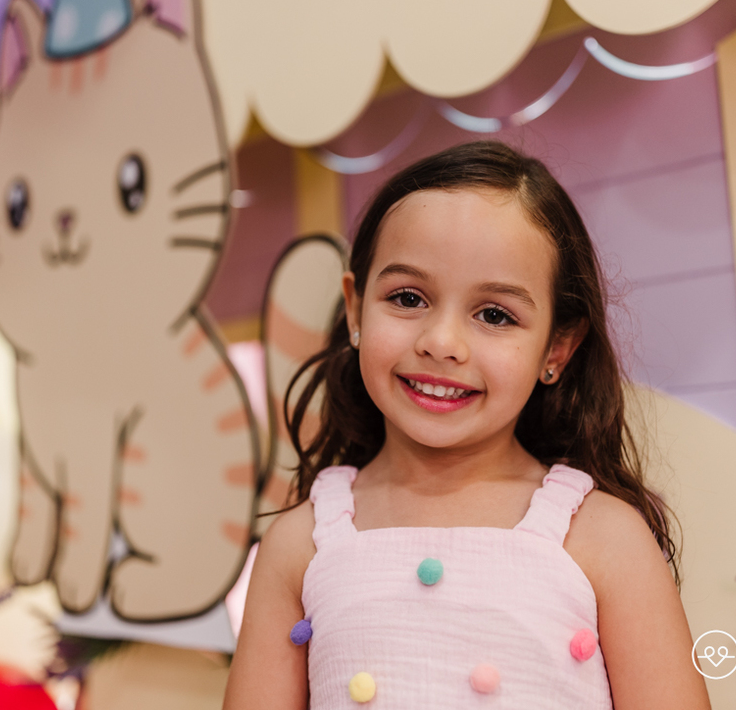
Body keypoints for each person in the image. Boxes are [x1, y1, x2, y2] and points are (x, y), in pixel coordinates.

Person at [223, 141, 711, 709]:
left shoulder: (603, 538)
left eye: (495, 315)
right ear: (355, 309)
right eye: (407, 298)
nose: (441, 343)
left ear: (557, 345)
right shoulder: (300, 546)